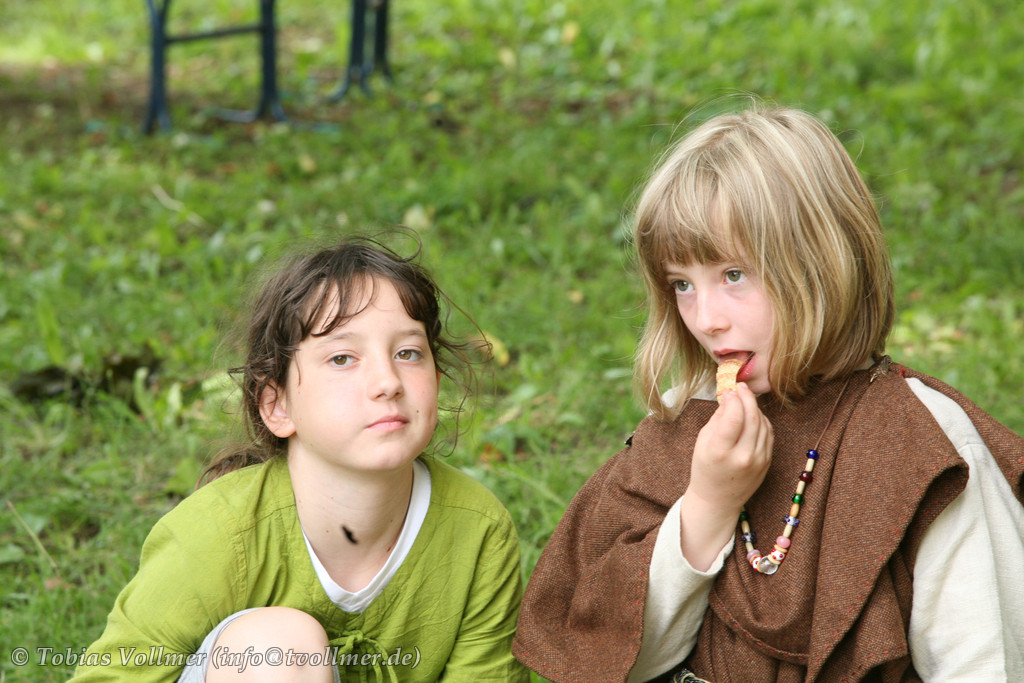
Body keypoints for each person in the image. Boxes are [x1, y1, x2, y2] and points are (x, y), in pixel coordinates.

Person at [513, 104, 1024, 682]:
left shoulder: (925, 442)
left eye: (733, 275)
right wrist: (708, 504)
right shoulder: (687, 418)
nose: (706, 319)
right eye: (682, 284)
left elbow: (984, 662)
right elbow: (618, 659)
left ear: (823, 264)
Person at [72, 235, 529, 682]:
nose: (388, 382)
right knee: (279, 649)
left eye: (408, 353)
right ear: (277, 406)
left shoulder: (479, 531)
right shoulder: (218, 532)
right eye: (343, 358)